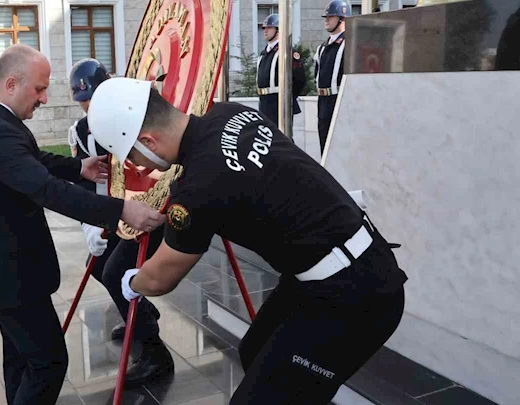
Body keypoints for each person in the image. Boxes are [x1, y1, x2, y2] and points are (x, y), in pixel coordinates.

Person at [86, 77, 408, 404]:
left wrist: (131, 281)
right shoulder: (230, 114)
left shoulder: (198, 190)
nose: (135, 166)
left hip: (354, 295)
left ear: (148, 141)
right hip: (338, 266)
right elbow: (233, 178)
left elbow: (160, 277)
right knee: (255, 350)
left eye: (132, 156)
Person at [0, 46, 164, 405]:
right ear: (10, 83)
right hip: (10, 275)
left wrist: (77, 167)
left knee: (21, 361)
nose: (44, 98)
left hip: (7, 271)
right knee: (49, 362)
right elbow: (47, 191)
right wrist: (122, 211)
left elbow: (32, 160)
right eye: (38, 89)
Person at [68, 58, 174, 385]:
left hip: (157, 209)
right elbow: (87, 184)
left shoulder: (139, 115)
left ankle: (155, 353)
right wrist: (89, 225)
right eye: (83, 102)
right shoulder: (82, 132)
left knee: (116, 272)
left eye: (92, 99)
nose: (88, 107)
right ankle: (140, 313)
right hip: (119, 213)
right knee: (99, 264)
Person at [255, 13, 306, 129]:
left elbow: (299, 79)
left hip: (279, 103)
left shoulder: (286, 52)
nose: (265, 31)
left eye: (269, 27)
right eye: (264, 28)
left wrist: (287, 97)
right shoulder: (264, 53)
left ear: (278, 30)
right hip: (264, 103)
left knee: (282, 138)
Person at [313, 0, 349, 156]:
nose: (326, 20)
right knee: (324, 146)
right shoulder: (323, 46)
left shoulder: (349, 43)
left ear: (342, 18)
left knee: (339, 148)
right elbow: (317, 73)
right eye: (326, 17)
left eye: (331, 16)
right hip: (323, 102)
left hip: (339, 100)